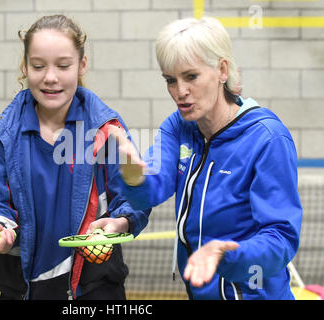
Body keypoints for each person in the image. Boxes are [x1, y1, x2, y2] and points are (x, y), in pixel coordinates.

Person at [99, 17, 302, 300]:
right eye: (171, 80)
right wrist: (134, 177)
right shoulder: (177, 126)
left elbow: (281, 239)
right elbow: (154, 189)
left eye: (191, 76)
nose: (180, 92)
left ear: (222, 70)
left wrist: (225, 254)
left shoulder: (267, 138)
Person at [0, 14, 151, 300]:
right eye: (38, 66)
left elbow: (132, 200)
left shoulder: (108, 129)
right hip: (21, 288)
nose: (50, 77)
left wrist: (118, 224)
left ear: (82, 65)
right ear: (25, 66)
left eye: (63, 65)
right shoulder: (2, 132)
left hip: (94, 288)